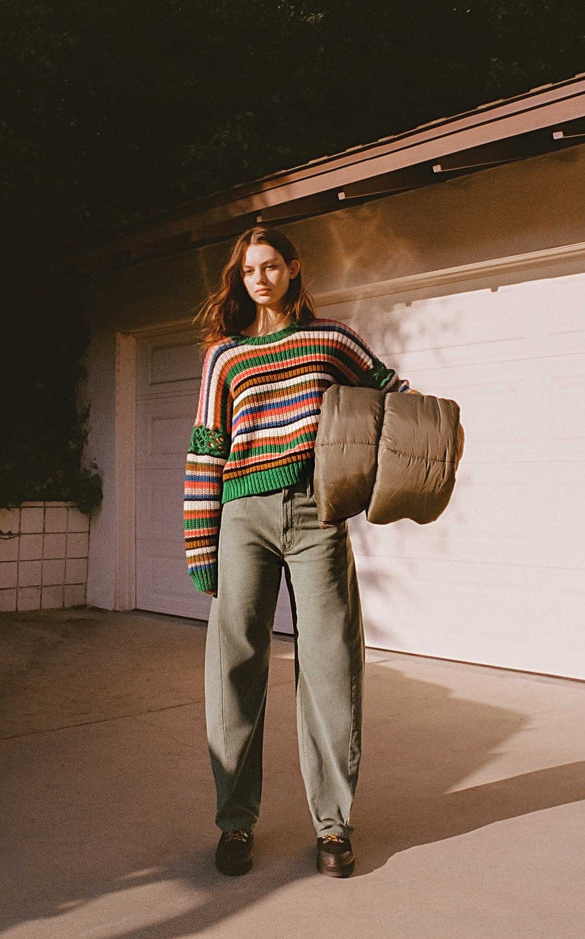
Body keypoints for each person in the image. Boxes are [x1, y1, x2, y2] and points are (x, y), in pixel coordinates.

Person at [183, 226, 413, 878]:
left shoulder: (330, 339)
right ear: (242, 278)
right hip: (242, 520)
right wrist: (202, 548)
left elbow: (389, 391)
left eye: (271, 266)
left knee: (331, 665)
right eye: (249, 269)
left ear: (292, 270)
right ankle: (235, 825)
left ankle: (334, 829)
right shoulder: (225, 357)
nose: (259, 277)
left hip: (317, 516)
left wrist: (428, 426)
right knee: (235, 670)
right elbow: (206, 449)